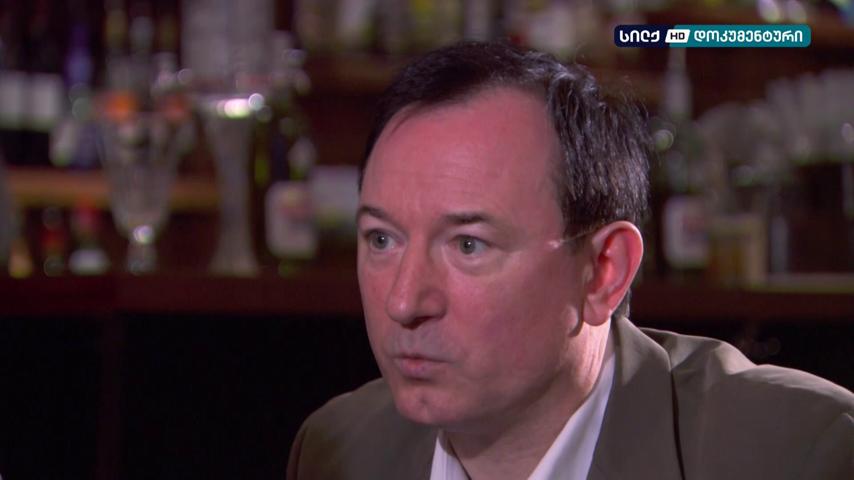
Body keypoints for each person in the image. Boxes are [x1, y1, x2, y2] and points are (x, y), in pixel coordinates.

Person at [287, 41, 853, 480]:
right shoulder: (339, 451)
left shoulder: (797, 452)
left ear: (604, 271)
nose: (404, 301)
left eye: (468, 245)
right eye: (382, 240)